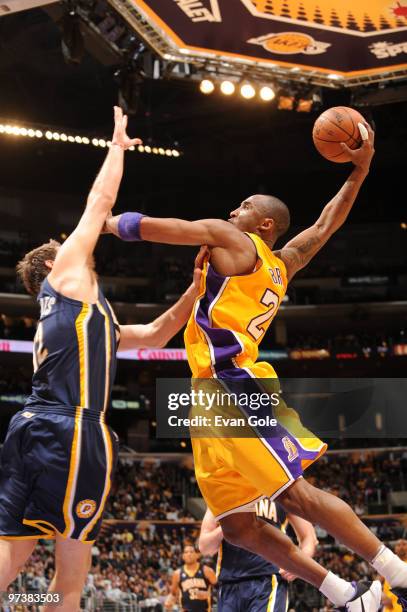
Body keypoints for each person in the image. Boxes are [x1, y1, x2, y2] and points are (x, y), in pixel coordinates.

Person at [104, 120, 407, 611]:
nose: (231, 211)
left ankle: (396, 571)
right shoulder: (282, 264)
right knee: (239, 527)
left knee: (296, 497)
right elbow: (328, 221)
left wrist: (107, 222)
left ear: (263, 225)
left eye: (243, 207)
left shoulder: (235, 241)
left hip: (233, 386)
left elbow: (174, 229)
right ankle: (348, 596)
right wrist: (362, 169)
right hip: (210, 395)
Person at [0, 107, 204, 611]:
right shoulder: (65, 274)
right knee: (70, 579)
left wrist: (195, 292)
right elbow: (99, 203)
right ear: (51, 264)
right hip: (71, 429)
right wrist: (116, 146)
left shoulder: (90, 320)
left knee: (11, 554)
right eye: (61, 246)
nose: (72, 244)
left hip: (31, 426)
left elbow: (157, 332)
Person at [199, 499, 317, 612]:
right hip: (229, 583)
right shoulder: (221, 492)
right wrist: (229, 523)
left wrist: (299, 565)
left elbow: (309, 537)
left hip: (268, 579)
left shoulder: (278, 490)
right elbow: (205, 547)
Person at [165, 543, 217, 611]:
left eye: (191, 552)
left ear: (197, 555)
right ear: (183, 556)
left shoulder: (207, 571)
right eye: (186, 552)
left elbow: (222, 590)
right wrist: (169, 601)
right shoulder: (177, 574)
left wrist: (208, 594)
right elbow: (173, 594)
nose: (189, 554)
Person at [382, 541, 407, 612]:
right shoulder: (388, 563)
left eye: (404, 544)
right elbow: (376, 581)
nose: (401, 547)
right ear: (395, 549)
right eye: (398, 545)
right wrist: (382, 595)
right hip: (389, 607)